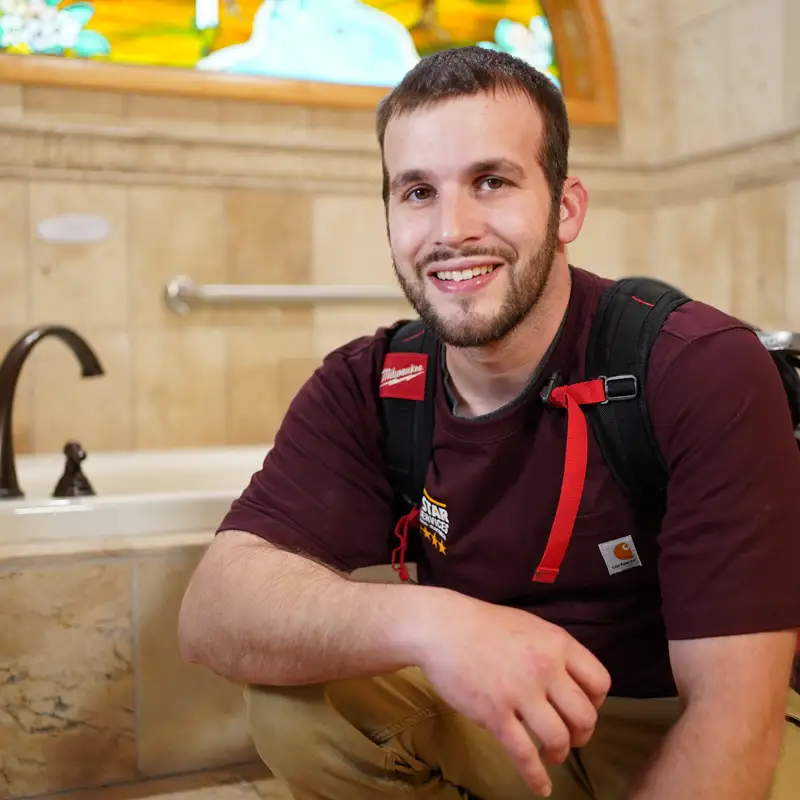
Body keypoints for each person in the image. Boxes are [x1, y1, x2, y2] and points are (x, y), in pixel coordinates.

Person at [177, 46, 800, 799]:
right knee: (301, 702)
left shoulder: (696, 366)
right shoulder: (371, 383)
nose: (452, 229)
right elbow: (215, 610)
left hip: (675, 723)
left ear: (565, 208)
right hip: (511, 728)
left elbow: (734, 718)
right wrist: (435, 624)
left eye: (491, 182)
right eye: (416, 192)